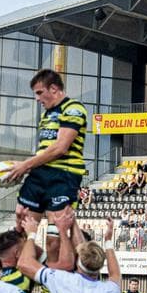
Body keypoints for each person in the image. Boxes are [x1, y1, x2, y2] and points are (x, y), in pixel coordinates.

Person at [6, 69, 87, 232]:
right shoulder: (47, 115)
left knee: (56, 233)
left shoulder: (73, 108)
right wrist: (25, 168)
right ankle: (26, 257)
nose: (37, 99)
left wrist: (25, 165)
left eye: (39, 92)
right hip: (40, 174)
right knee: (21, 221)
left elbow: (60, 147)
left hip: (63, 175)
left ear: (54, 89)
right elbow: (45, 149)